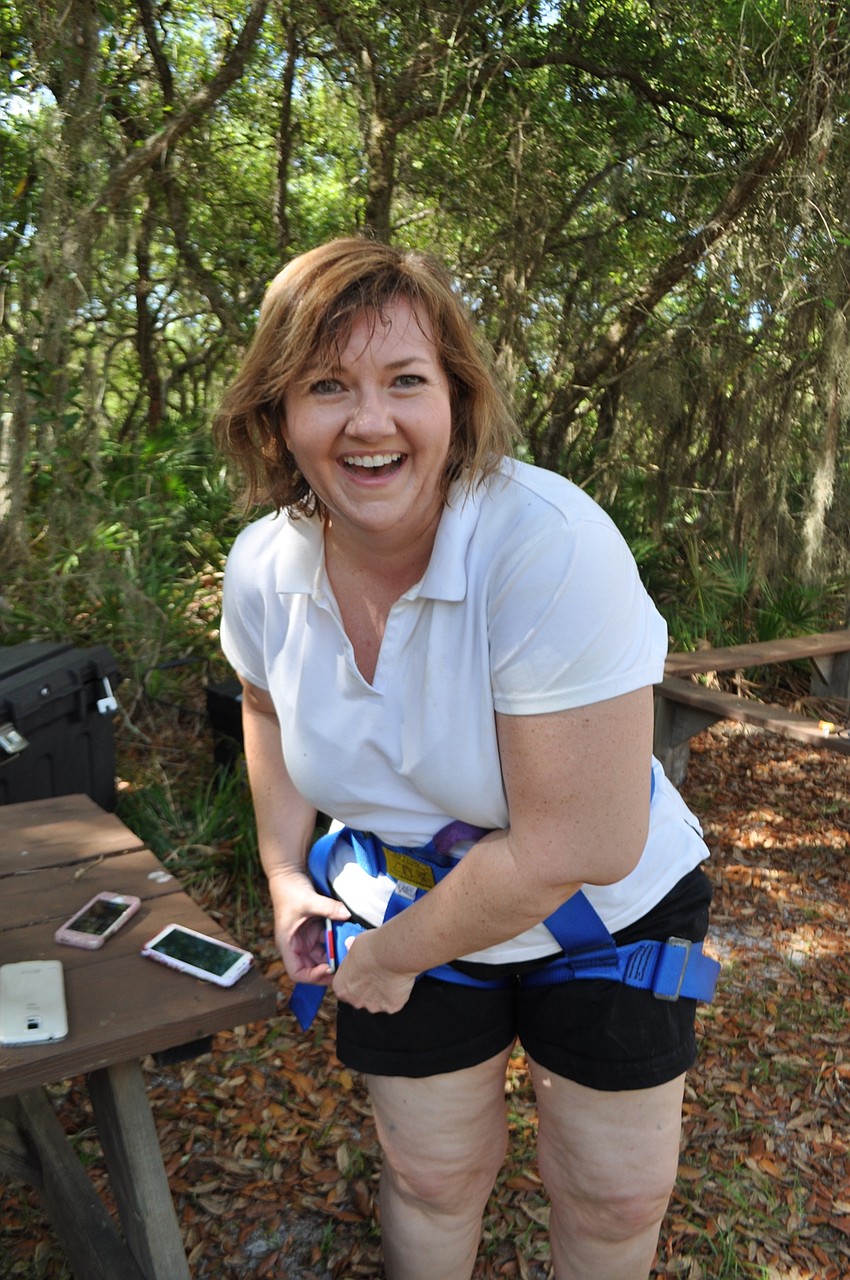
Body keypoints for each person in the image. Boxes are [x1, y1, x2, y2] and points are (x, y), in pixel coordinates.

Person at [215, 236, 717, 1280]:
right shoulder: (265, 566)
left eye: (406, 380)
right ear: (277, 417)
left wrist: (388, 956)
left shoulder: (544, 543)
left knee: (614, 1192)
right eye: (325, 385)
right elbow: (262, 705)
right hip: (399, 887)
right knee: (433, 1174)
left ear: (456, 399)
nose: (369, 420)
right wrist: (280, 874)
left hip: (604, 910)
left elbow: (575, 842)